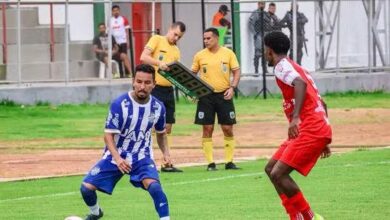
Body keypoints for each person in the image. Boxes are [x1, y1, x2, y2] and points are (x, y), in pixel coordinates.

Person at [79, 64, 172, 220]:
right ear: (133, 82)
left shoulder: (158, 107)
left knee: (155, 187)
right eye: (139, 81)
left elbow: (161, 133)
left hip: (142, 156)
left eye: (147, 83)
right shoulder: (120, 104)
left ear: (154, 84)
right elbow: (108, 135)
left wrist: (166, 153)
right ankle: (96, 213)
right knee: (86, 189)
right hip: (115, 156)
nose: (142, 86)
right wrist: (117, 158)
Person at [263, 31, 332, 220]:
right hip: (316, 128)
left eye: (265, 50)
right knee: (271, 169)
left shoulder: (281, 66)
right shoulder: (297, 67)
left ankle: (309, 217)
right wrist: (323, 139)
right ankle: (295, 216)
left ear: (269, 51)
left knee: (278, 173)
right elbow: (322, 102)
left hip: (309, 128)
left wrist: (295, 118)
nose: (264, 54)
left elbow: (299, 84)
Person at [191, 27, 241, 171]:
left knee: (227, 128)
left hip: (224, 94)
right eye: (204, 38)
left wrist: (232, 87)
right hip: (205, 96)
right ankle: (210, 163)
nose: (206, 41)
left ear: (216, 38)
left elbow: (237, 71)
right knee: (207, 128)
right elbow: (192, 74)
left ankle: (229, 161)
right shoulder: (199, 55)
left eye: (208, 38)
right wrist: (194, 92)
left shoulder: (228, 53)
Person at [140, 22, 186, 173]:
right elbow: (143, 57)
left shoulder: (176, 50)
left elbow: (175, 75)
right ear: (170, 29)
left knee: (167, 127)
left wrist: (187, 91)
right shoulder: (157, 39)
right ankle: (146, 159)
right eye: (175, 34)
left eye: (179, 37)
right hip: (155, 89)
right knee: (152, 126)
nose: (176, 38)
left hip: (168, 90)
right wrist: (159, 63)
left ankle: (166, 161)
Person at [111, 5, 132, 77]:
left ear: (119, 11)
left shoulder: (123, 19)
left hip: (123, 41)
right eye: (114, 10)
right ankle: (120, 74)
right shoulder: (110, 20)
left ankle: (128, 73)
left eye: (117, 10)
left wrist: (128, 41)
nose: (116, 12)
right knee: (118, 58)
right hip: (114, 43)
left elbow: (127, 31)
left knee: (124, 57)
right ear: (112, 12)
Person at [248, 1, 266, 74]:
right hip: (258, 35)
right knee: (257, 53)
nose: (262, 5)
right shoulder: (255, 13)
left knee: (265, 54)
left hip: (265, 35)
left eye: (264, 4)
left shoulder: (265, 13)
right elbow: (250, 24)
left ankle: (264, 70)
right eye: (261, 4)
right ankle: (256, 70)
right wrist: (255, 34)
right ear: (258, 4)